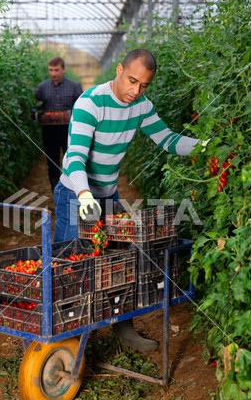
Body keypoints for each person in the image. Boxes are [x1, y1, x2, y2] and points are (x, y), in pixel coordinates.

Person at [53, 48, 208, 352]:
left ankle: (123, 328)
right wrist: (84, 194)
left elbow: (168, 140)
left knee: (120, 261)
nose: (135, 91)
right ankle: (65, 339)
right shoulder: (90, 103)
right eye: (132, 81)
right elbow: (75, 158)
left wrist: (204, 146)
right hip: (74, 193)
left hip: (108, 194)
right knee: (71, 265)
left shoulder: (141, 106)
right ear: (120, 69)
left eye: (144, 86)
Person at [35, 56, 83, 192]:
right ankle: (57, 193)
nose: (53, 74)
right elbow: (36, 106)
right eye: (50, 70)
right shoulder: (42, 88)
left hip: (69, 130)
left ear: (64, 69)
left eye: (56, 70)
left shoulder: (74, 87)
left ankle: (75, 191)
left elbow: (82, 107)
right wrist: (35, 113)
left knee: (73, 161)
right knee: (52, 163)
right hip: (49, 131)